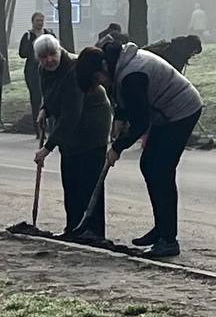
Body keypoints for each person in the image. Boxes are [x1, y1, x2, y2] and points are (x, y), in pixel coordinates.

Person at [74, 41, 204, 258]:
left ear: (103, 68)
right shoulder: (119, 65)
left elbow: (141, 120)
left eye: (98, 80)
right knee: (149, 166)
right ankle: (161, 228)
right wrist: (119, 118)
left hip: (181, 111)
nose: (101, 84)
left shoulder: (132, 74)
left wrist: (118, 147)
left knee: (160, 171)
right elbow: (127, 102)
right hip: (166, 112)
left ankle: (168, 240)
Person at [33, 35, 113, 238]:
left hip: (92, 124)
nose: (49, 60)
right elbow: (49, 93)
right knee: (70, 179)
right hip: (70, 129)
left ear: (59, 50)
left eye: (52, 54)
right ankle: (73, 227)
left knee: (88, 179)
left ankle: (92, 230)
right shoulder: (44, 70)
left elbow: (71, 115)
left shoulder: (74, 70)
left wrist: (47, 148)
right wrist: (45, 108)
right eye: (43, 57)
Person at [19, 12, 51, 136]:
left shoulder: (48, 34)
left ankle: (49, 125)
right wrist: (32, 46)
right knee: (36, 98)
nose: (40, 23)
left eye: (42, 20)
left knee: (49, 96)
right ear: (32, 21)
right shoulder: (28, 35)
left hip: (48, 69)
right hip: (32, 71)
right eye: (38, 20)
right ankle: (37, 128)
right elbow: (22, 53)